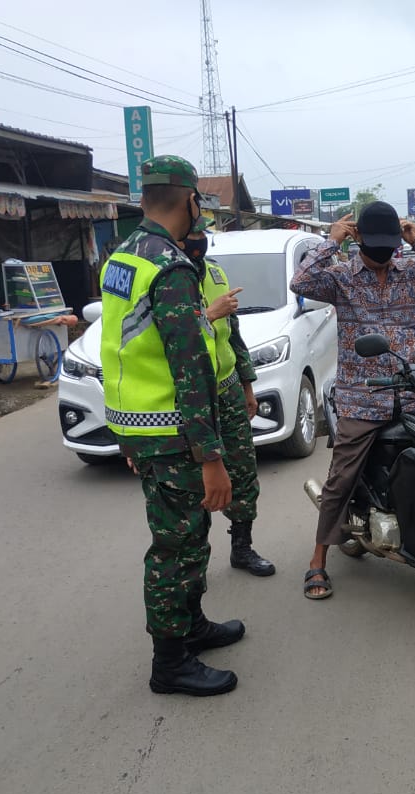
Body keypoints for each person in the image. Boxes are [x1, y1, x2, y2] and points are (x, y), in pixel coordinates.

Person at [99, 155, 241, 697]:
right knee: (176, 544)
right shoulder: (171, 267)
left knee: (185, 536)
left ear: (144, 199)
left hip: (139, 425)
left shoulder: (122, 257)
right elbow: (189, 368)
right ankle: (170, 662)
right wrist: (211, 457)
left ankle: (191, 627)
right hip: (172, 430)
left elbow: (124, 348)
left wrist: (126, 433)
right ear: (190, 201)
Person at [293, 201, 415, 600]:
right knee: (341, 479)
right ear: (358, 240)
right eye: (376, 245)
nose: (384, 253)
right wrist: (331, 241)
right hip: (362, 398)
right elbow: (300, 283)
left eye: (390, 245)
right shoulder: (340, 277)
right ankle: (318, 559)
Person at [177, 217, 275, 577]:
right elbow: (165, 339)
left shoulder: (216, 273)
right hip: (186, 399)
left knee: (243, 473)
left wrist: (247, 386)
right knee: (192, 482)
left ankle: (242, 548)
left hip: (227, 389)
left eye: (202, 233)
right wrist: (208, 313)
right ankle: (192, 560)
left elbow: (233, 336)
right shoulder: (168, 276)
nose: (198, 240)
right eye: (191, 234)